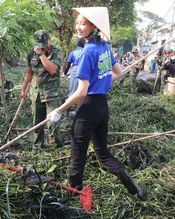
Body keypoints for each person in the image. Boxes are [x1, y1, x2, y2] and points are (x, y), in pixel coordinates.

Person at [47, 7, 146, 201]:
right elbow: (118, 72)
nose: (78, 27)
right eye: (77, 23)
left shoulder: (87, 52)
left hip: (88, 108)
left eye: (83, 23)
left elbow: (81, 92)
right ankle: (133, 187)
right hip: (102, 108)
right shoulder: (104, 47)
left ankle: (71, 196)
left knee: (77, 156)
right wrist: (100, 81)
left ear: (93, 25)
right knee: (103, 155)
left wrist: (58, 110)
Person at [21, 30, 64, 148]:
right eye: (40, 46)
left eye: (45, 44)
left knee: (53, 122)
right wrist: (23, 89)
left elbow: (53, 70)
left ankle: (55, 147)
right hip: (36, 93)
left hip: (51, 93)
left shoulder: (57, 52)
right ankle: (38, 147)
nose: (43, 48)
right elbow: (29, 73)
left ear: (49, 40)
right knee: (37, 122)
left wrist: (41, 55)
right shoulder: (31, 53)